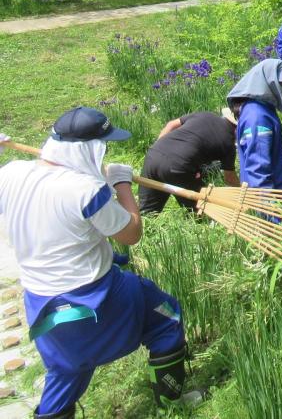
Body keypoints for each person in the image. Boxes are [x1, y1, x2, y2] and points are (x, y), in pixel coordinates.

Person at [0, 109, 197, 417]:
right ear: (89, 149)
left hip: (43, 304)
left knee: (67, 367)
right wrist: (121, 185)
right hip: (94, 297)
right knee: (166, 317)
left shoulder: (10, 174)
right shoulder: (84, 191)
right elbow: (131, 233)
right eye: (103, 145)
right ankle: (172, 404)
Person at [138, 110, 238, 215]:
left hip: (153, 154)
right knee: (201, 210)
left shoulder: (204, 114)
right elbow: (230, 179)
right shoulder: (229, 143)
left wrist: (158, 146)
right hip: (178, 166)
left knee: (146, 213)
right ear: (237, 128)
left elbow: (171, 124)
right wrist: (242, 193)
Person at [226, 59, 282, 191]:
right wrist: (272, 207)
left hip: (279, 194)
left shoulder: (260, 110)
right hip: (270, 199)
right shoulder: (257, 116)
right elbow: (258, 171)